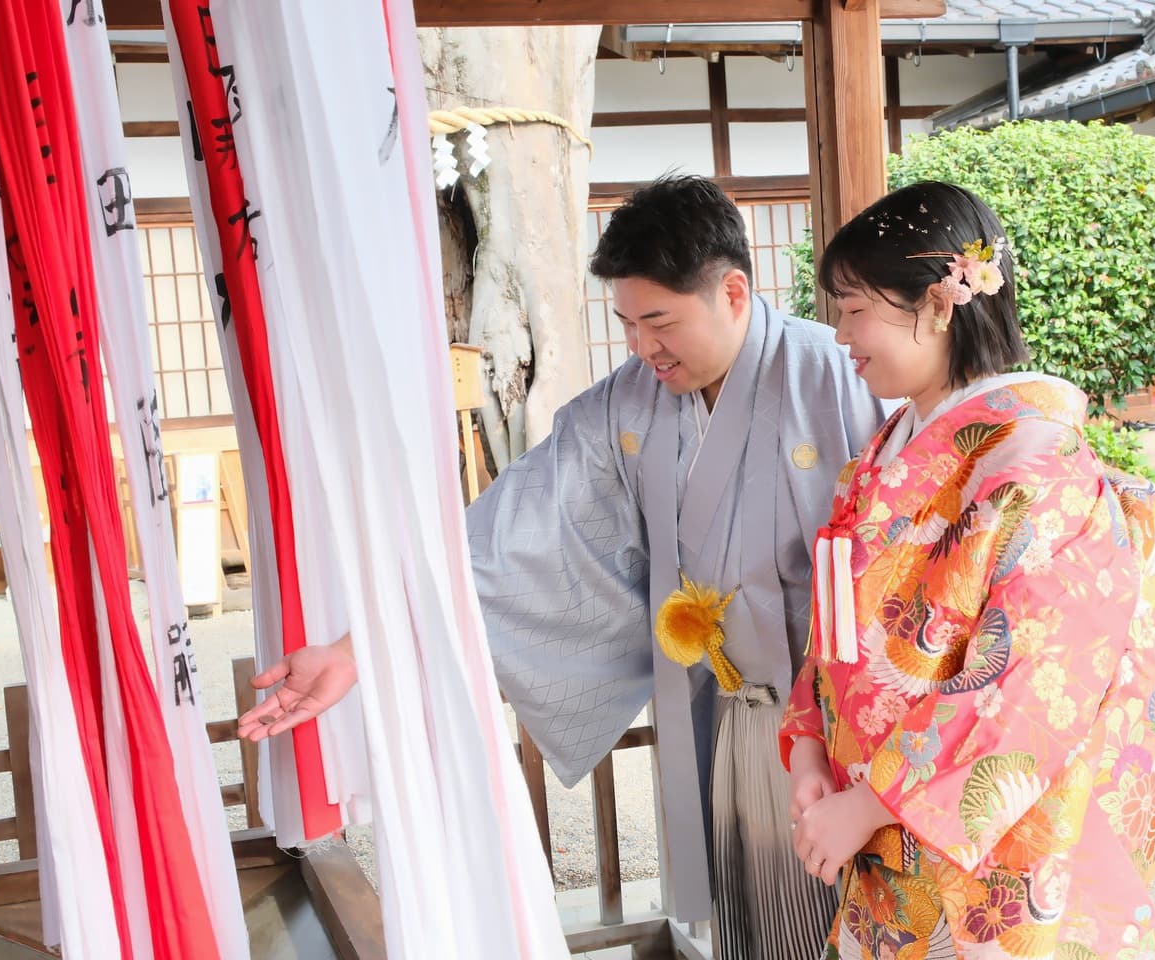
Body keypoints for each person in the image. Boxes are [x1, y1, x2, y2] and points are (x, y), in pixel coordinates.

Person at [239, 175, 886, 959]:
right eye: (626, 324)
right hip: (727, 723)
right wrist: (357, 651)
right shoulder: (629, 408)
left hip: (847, 729)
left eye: (660, 321)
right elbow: (506, 533)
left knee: (857, 921)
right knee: (757, 924)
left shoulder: (839, 377)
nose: (643, 348)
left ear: (735, 292)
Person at [779, 180, 1155, 960]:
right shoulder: (884, 453)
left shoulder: (1039, 462)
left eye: (855, 308)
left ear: (938, 304)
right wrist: (808, 748)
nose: (840, 335)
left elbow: (1033, 681)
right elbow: (836, 631)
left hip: (984, 854)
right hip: (882, 836)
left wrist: (873, 799)